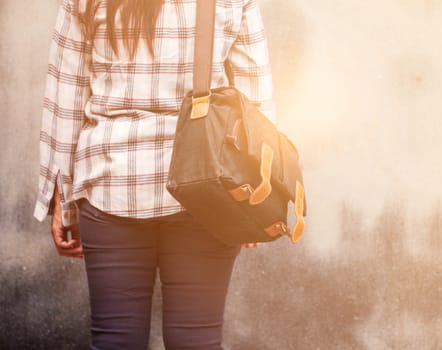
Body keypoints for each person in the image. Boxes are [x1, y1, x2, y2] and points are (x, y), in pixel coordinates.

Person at [33, 0, 275, 348]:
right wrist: (254, 202)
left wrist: (63, 201)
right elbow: (256, 98)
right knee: (198, 340)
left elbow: (65, 96)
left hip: (111, 180)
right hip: (206, 189)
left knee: (115, 340)